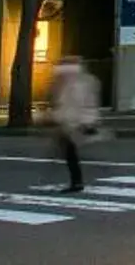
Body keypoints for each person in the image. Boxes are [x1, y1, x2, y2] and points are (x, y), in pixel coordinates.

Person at [48, 58, 102, 191]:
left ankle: (77, 182)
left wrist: (84, 121)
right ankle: (76, 181)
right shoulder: (83, 81)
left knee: (69, 152)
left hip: (73, 122)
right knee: (69, 151)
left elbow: (74, 104)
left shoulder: (75, 84)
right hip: (73, 121)